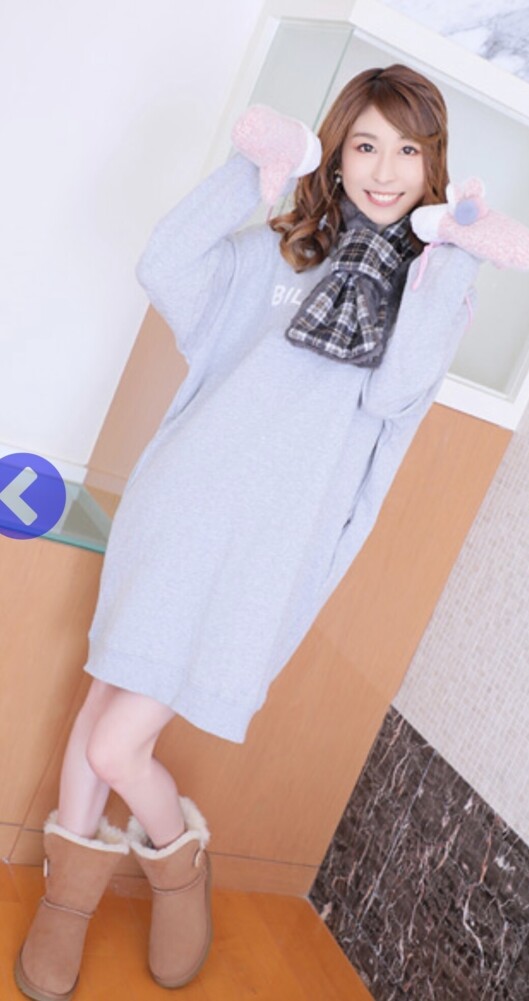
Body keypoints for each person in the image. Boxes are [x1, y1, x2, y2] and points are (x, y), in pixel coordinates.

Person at [15, 64, 481, 1000]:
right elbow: (165, 264)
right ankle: (66, 904)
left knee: (115, 744)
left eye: (407, 151)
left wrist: (458, 256)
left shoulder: (424, 299)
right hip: (178, 512)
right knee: (103, 698)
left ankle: (177, 865)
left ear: (432, 169)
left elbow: (395, 395)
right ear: (334, 153)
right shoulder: (280, 255)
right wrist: (249, 170)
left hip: (265, 554)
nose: (384, 170)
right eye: (365, 145)